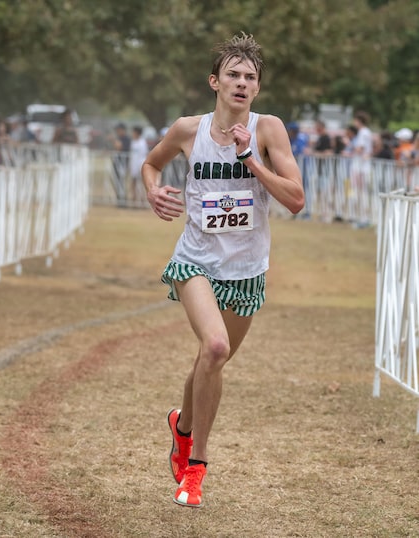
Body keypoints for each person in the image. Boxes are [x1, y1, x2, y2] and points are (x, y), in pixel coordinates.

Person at [142, 33, 304, 508]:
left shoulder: (269, 129)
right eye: (232, 74)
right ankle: (196, 467)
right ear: (215, 81)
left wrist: (249, 156)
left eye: (250, 77)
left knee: (213, 359)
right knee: (213, 346)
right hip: (195, 260)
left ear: (257, 89)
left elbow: (295, 199)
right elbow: (151, 165)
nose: (241, 82)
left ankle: (182, 427)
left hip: (247, 269)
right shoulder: (187, 130)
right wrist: (153, 190)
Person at [129, 126, 148, 203]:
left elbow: (143, 155)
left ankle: (142, 200)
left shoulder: (142, 143)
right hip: (133, 165)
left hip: (140, 165)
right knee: (133, 182)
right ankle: (134, 198)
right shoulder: (133, 142)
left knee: (142, 183)